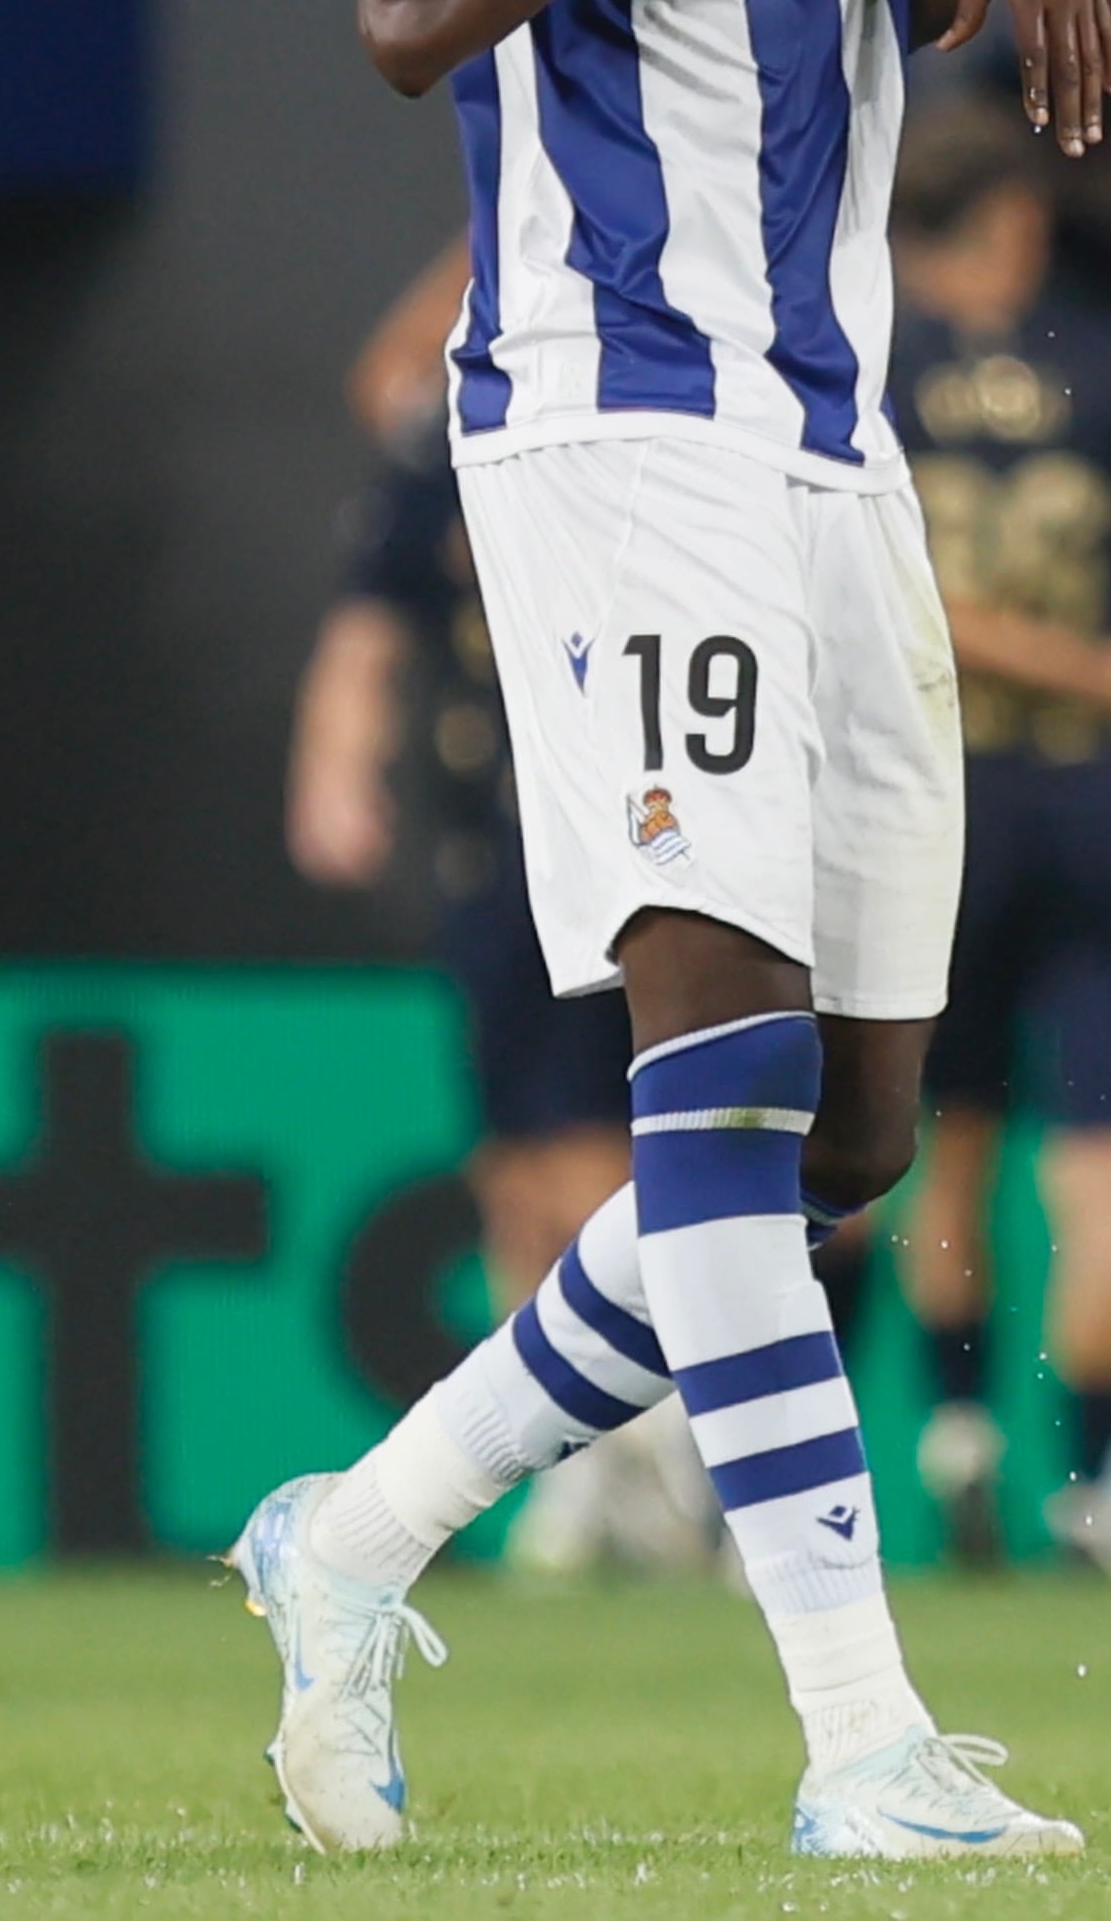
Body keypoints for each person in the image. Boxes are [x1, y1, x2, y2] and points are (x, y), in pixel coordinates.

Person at [229, 0, 1111, 1865]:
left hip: (835, 450)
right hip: (614, 435)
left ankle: (361, 1527)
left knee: (843, 1154)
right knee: (709, 1093)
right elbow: (411, 7)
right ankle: (862, 1740)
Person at [287, 244, 707, 1582]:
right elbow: (370, 622)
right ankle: (575, 1459)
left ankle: (663, 1454)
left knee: (597, 1163)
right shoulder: (457, 442)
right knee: (516, 1172)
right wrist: (336, 767)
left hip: (626, 840)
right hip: (494, 850)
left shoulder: (657, 432)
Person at [881, 104, 1111, 1573]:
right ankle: (1092, 1484)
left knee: (945, 1150)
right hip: (1098, 803)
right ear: (1017, 221)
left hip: (928, 804)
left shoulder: (855, 358)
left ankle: (961, 1432)